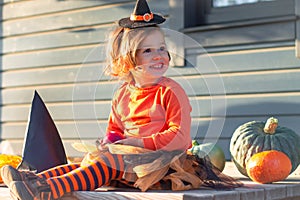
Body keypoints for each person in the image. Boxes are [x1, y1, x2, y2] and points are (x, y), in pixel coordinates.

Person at [0, 0, 194, 199]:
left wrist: (138, 142)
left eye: (162, 48)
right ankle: (33, 180)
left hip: (162, 163)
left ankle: (46, 190)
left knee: (105, 163)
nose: (158, 55)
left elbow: (180, 137)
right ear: (128, 59)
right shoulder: (123, 94)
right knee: (86, 165)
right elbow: (116, 130)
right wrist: (109, 141)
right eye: (147, 50)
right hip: (130, 160)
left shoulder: (170, 91)